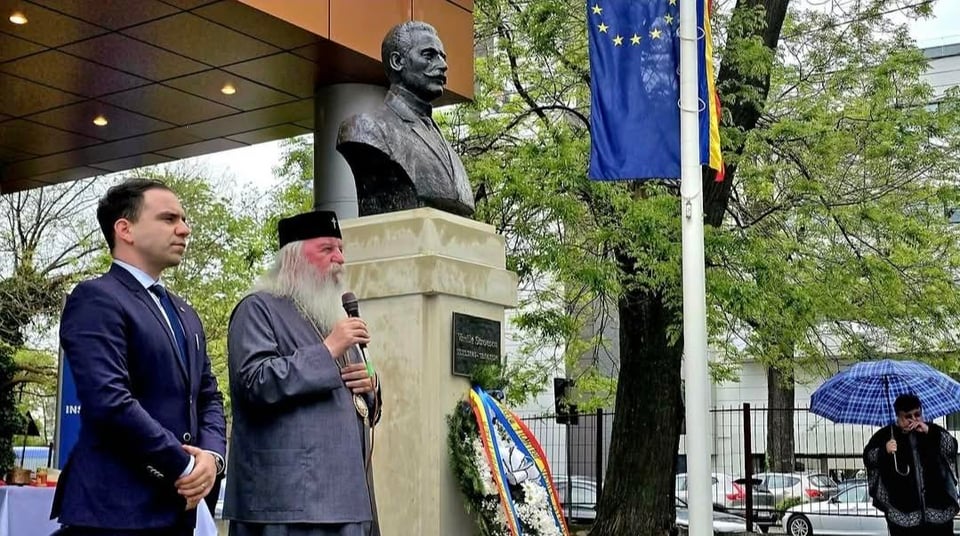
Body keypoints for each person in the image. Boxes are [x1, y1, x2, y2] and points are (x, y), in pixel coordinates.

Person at [53, 178, 227, 535]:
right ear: (125, 229)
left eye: (183, 219)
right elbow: (110, 402)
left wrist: (212, 458)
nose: (184, 229)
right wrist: (184, 467)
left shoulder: (185, 313)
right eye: (169, 219)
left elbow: (208, 396)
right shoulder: (96, 299)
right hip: (115, 514)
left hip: (180, 512)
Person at [224, 209, 381, 536]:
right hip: (287, 502)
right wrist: (328, 350)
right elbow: (255, 382)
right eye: (327, 249)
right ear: (293, 258)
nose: (340, 258)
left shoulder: (333, 315)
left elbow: (361, 398)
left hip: (349, 499)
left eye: (341, 249)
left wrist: (371, 386)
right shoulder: (257, 308)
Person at [338, 20, 475, 217]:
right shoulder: (365, 128)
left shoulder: (443, 143)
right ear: (397, 61)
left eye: (443, 57)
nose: (443, 65)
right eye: (429, 55)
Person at [863, 394, 958, 535]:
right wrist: (884, 451)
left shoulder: (931, 430)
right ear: (898, 416)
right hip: (902, 513)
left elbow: (951, 447)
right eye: (908, 416)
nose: (914, 419)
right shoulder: (886, 435)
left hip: (938, 510)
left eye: (917, 414)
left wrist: (929, 431)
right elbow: (868, 458)